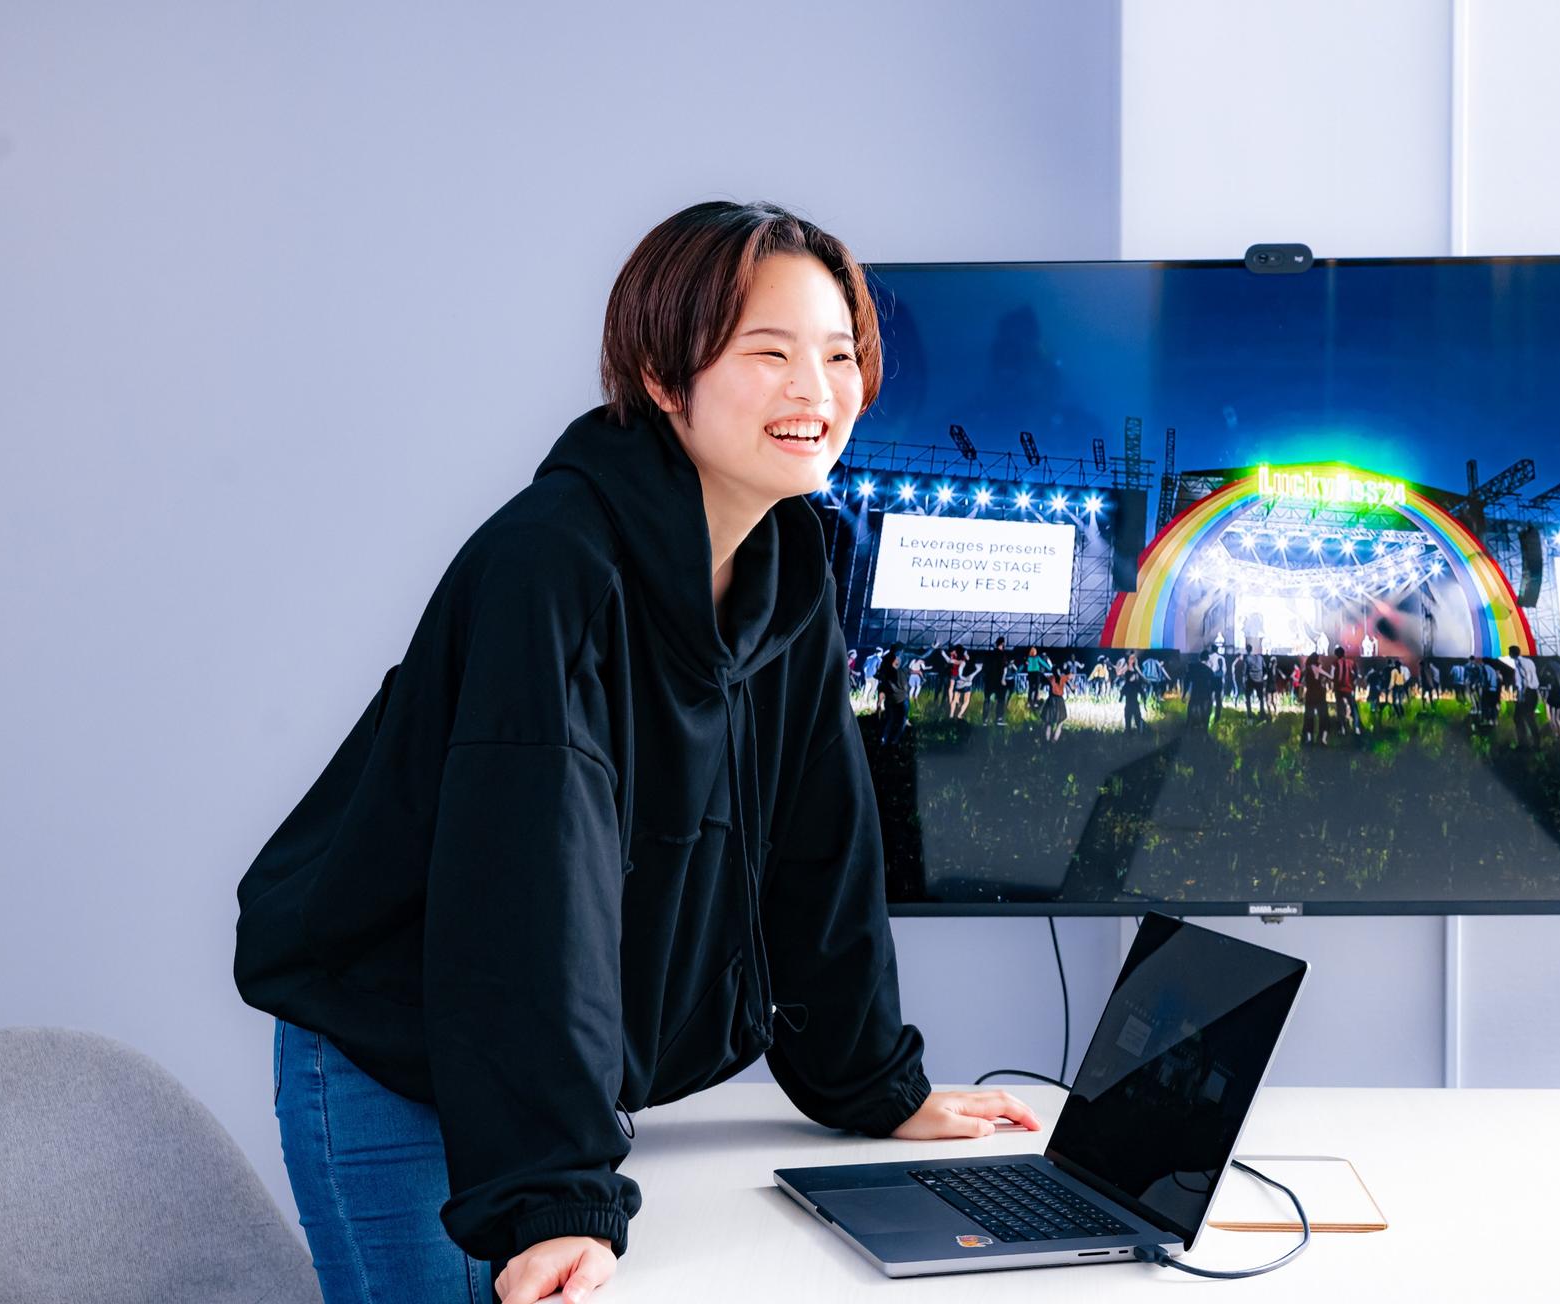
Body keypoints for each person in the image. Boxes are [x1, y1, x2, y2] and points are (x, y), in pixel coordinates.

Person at [232, 202, 1038, 1304]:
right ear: (663, 377)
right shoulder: (552, 565)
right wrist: (554, 1196)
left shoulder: (790, 561)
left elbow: (822, 845)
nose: (816, 390)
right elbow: (528, 889)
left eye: (840, 355)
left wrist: (873, 1085)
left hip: (531, 1063)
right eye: (769, 352)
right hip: (396, 1041)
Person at [1508, 644, 1541, 748]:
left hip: (1528, 692)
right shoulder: (1528, 661)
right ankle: (1533, 742)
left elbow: (1526, 679)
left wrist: (1521, 695)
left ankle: (1525, 742)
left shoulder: (1520, 663)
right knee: (1526, 717)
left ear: (1512, 653)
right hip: (1532, 692)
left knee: (1521, 717)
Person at [876, 646, 909, 746]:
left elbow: (882, 689)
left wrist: (879, 702)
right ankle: (893, 740)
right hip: (900, 700)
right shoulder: (900, 672)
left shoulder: (888, 672)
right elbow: (905, 688)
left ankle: (885, 739)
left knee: (891, 720)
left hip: (893, 700)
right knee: (900, 720)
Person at [980, 635, 1013, 725]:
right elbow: (1004, 668)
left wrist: (985, 678)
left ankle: (985, 719)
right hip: (998, 680)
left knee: (987, 699)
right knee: (1001, 699)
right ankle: (999, 718)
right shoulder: (1002, 655)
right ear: (1002, 644)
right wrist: (1003, 679)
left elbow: (984, 667)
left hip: (989, 680)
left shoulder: (989, 654)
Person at [1043, 658, 1070, 742]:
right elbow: (1070, 687)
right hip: (1059, 701)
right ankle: (1054, 741)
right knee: (1060, 723)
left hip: (1051, 700)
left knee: (1049, 723)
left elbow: (1043, 681)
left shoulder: (1051, 678)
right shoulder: (1063, 678)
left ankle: (1047, 743)